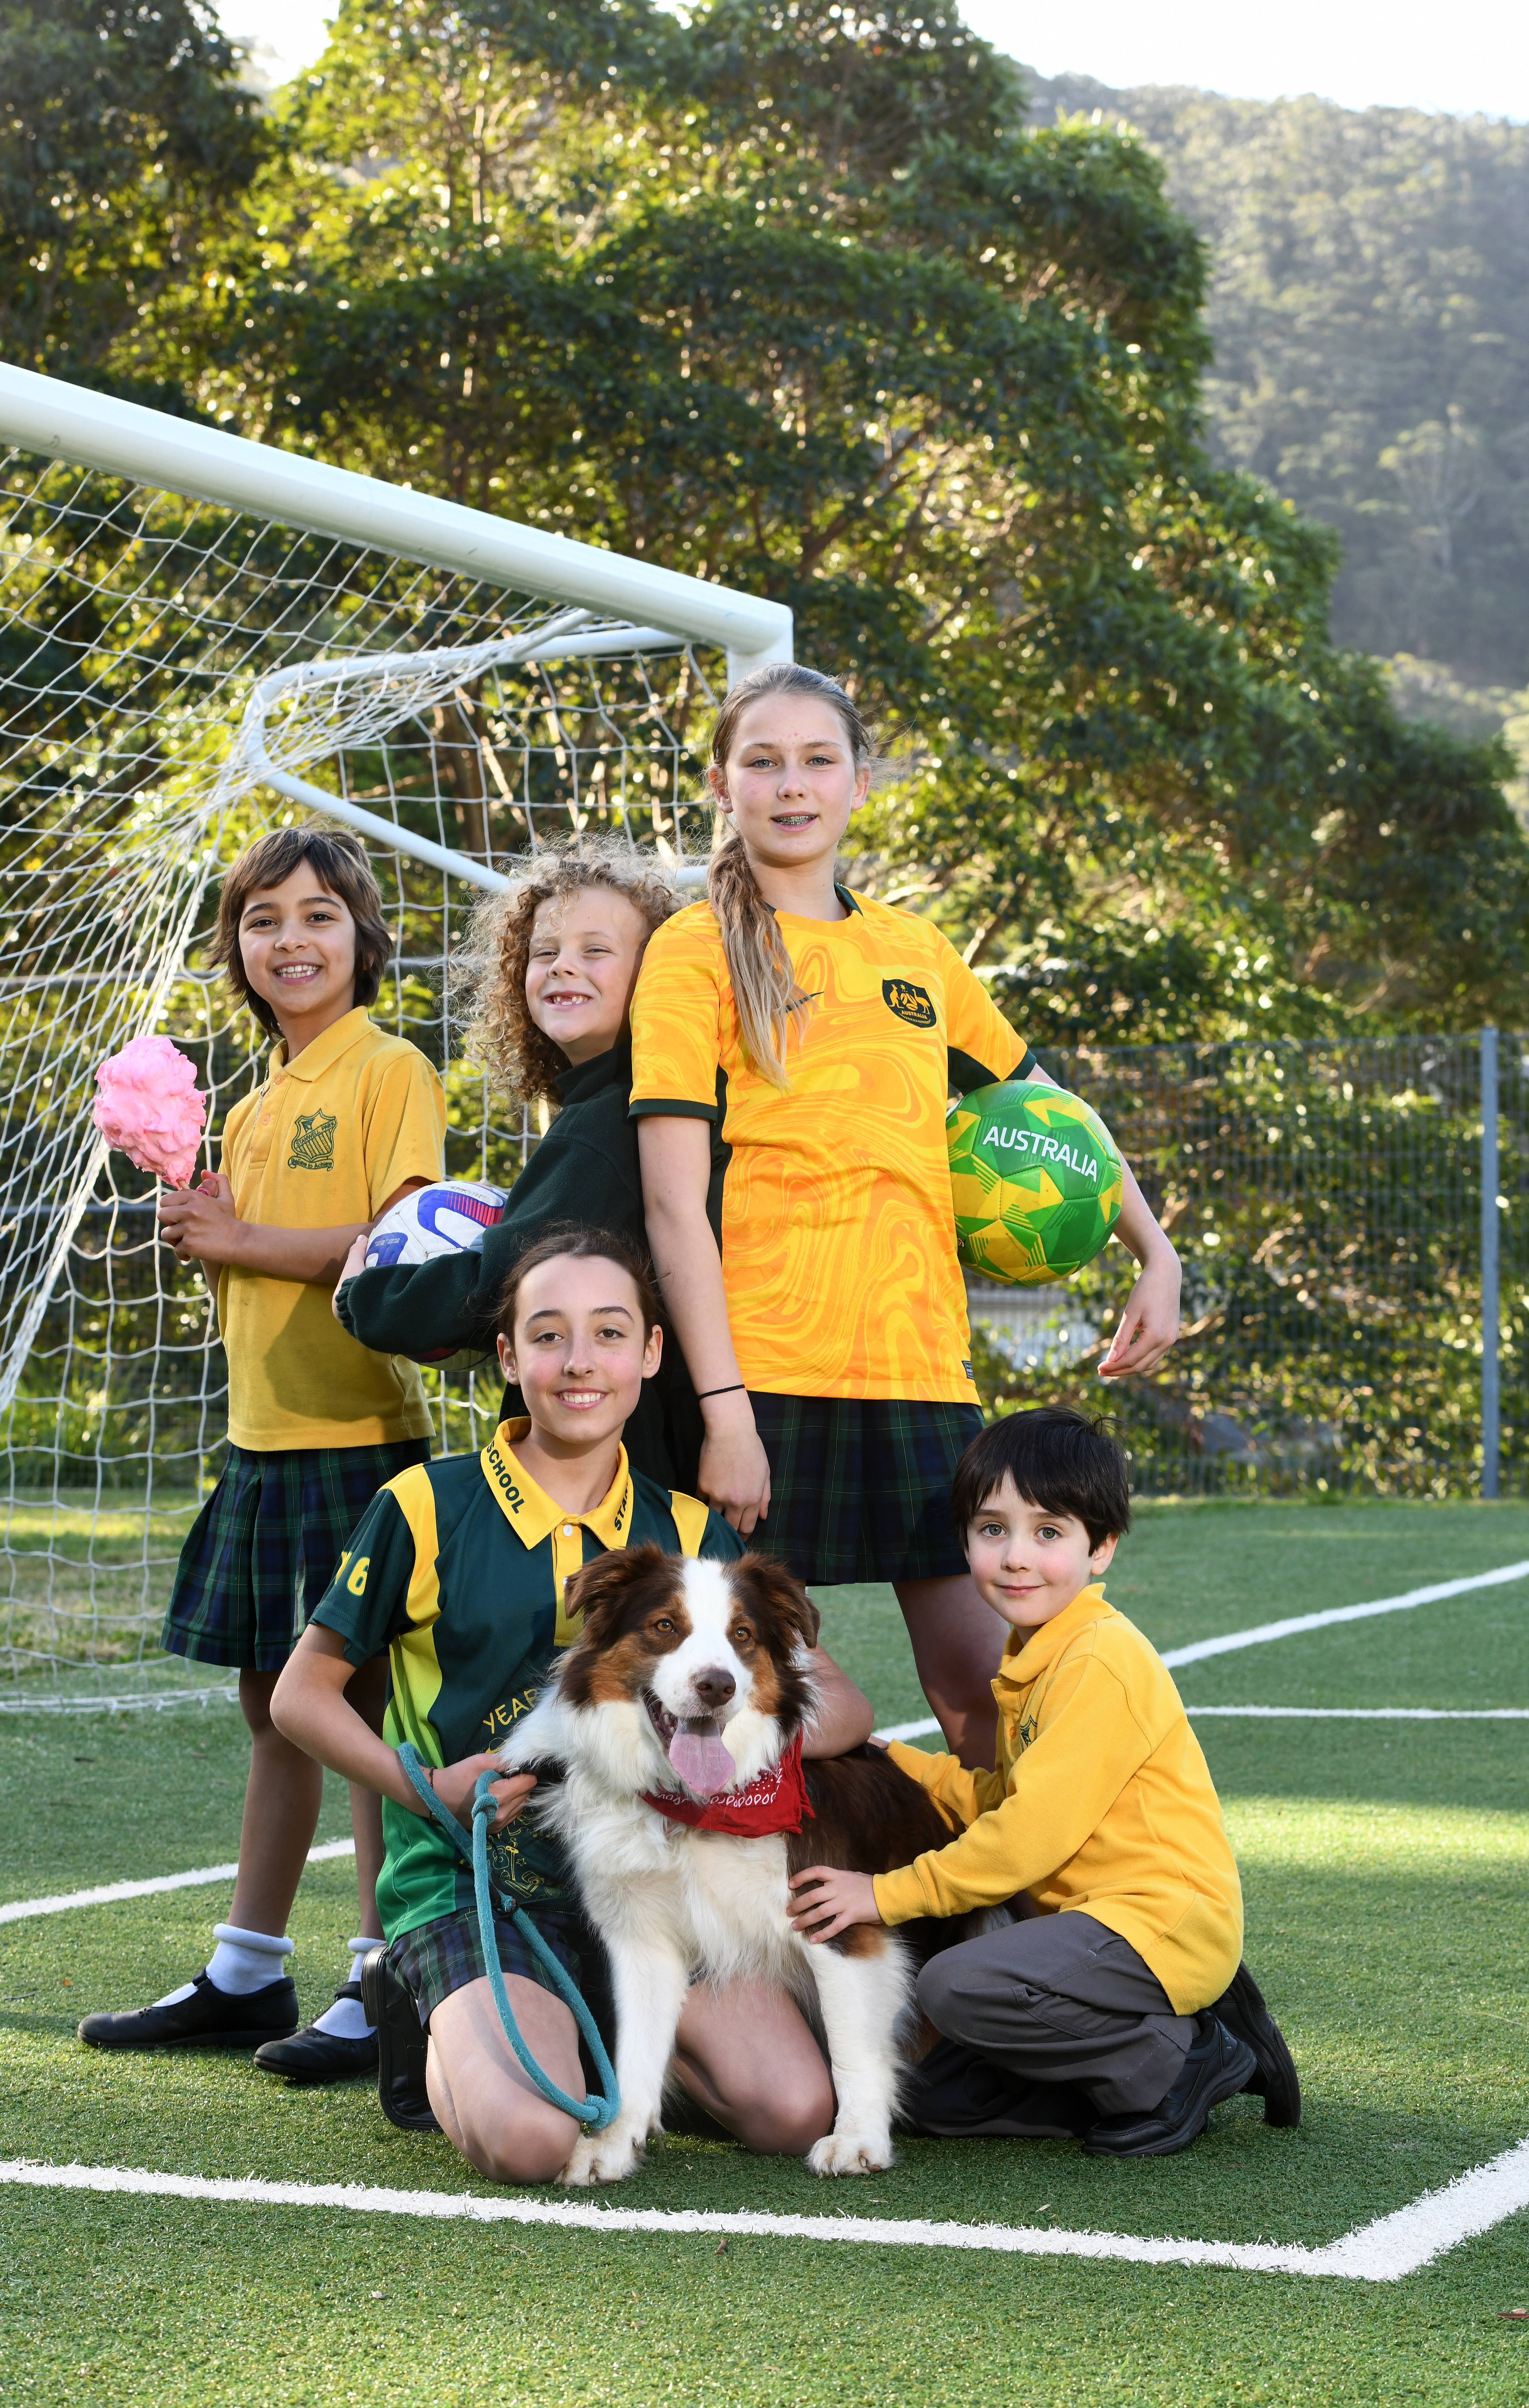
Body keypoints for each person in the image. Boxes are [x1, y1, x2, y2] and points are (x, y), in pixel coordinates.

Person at [631, 661, 1182, 1766]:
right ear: (720, 783)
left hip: (920, 1371)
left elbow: (1051, 1115)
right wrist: (724, 1406)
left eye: (818, 759)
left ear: (860, 781)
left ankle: (1011, 1924)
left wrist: (1154, 1251)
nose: (793, 785)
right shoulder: (693, 950)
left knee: (986, 1692)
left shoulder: (917, 953)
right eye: (764, 761)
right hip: (763, 1373)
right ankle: (753, 1941)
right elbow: (669, 1200)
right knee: (743, 1706)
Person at [271, 1227, 876, 2183]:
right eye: (548, 1336)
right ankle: (430, 2014)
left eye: (608, 1332)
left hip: (657, 1889)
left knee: (790, 2107)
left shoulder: (685, 1527)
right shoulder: (425, 1505)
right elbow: (299, 1696)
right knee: (533, 2141)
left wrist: (712, 1758)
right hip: (479, 1890)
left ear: (649, 1354)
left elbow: (839, 1703)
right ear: (508, 1357)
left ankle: (592, 2030)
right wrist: (427, 1783)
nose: (579, 1361)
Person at [77, 827, 446, 2082]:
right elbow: (248, 1265)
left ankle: (376, 1976)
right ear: (237, 950)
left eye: (317, 917)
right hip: (260, 1445)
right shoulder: (242, 1106)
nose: (289, 940)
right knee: (266, 1708)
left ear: (362, 940)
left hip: (360, 1440)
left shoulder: (390, 1067)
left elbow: (401, 1244)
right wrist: (201, 1222)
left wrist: (236, 1240)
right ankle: (247, 1968)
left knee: (342, 1706)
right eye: (262, 920)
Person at [786, 1407, 1300, 2159]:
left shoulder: (1096, 1658)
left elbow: (1024, 1839)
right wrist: (891, 1755)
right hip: (1089, 1927)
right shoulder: (1033, 1650)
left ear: (1103, 1549)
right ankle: (1151, 2056)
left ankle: (1187, 2054)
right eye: (992, 1530)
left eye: (1048, 1532)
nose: (1016, 1556)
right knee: (932, 2097)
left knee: (956, 1987)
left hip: (1154, 1919)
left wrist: (881, 1893)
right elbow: (1002, 1796)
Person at [335, 844, 703, 1489]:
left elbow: (499, 1277)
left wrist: (367, 1299)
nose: (564, 966)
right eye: (544, 952)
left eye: (596, 951)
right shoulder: (614, 1101)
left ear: (657, 978)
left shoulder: (607, 1124)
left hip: (624, 1450)